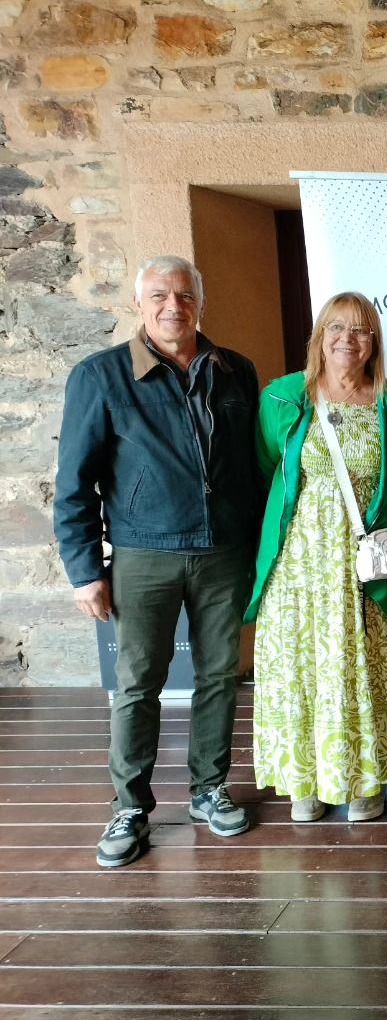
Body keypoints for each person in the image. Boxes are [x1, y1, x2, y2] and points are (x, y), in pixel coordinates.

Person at [53, 255, 260, 868]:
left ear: (201, 302)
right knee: (139, 683)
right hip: (143, 555)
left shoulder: (235, 371)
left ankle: (208, 788)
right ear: (140, 305)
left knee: (221, 675)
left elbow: (250, 469)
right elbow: (73, 484)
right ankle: (130, 807)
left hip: (223, 552)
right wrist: (85, 569)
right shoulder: (101, 376)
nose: (174, 307)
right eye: (160, 296)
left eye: (185, 296)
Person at [247, 293, 387, 823]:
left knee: (360, 666)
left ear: (374, 342)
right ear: (319, 337)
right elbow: (265, 471)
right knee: (304, 666)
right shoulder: (283, 399)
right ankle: (305, 777)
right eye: (336, 328)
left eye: (361, 330)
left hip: (365, 562)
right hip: (300, 563)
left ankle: (363, 779)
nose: (347, 339)